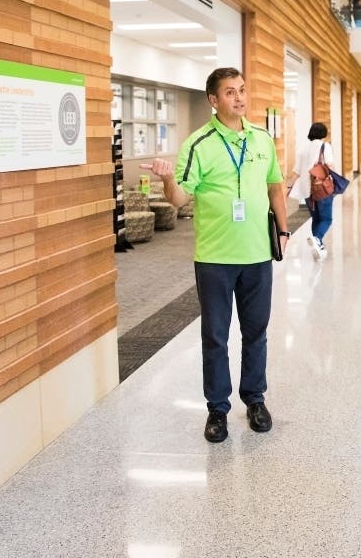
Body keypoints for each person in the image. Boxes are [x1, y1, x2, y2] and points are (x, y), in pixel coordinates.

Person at [140, 67, 289, 444]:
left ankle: (255, 400)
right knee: (216, 337)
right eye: (229, 92)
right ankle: (217, 409)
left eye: (242, 90)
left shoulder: (261, 139)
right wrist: (167, 178)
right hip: (215, 258)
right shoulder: (198, 143)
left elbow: (275, 186)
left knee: (256, 333)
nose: (239, 98)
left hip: (256, 254)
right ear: (213, 100)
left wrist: (283, 230)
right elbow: (178, 199)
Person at [286, 122, 336, 260]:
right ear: (323, 133)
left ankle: (318, 246)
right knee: (326, 218)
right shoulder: (325, 146)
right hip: (321, 188)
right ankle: (317, 239)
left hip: (307, 190)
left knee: (316, 218)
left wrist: (289, 187)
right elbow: (330, 165)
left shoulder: (303, 148)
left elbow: (296, 171)